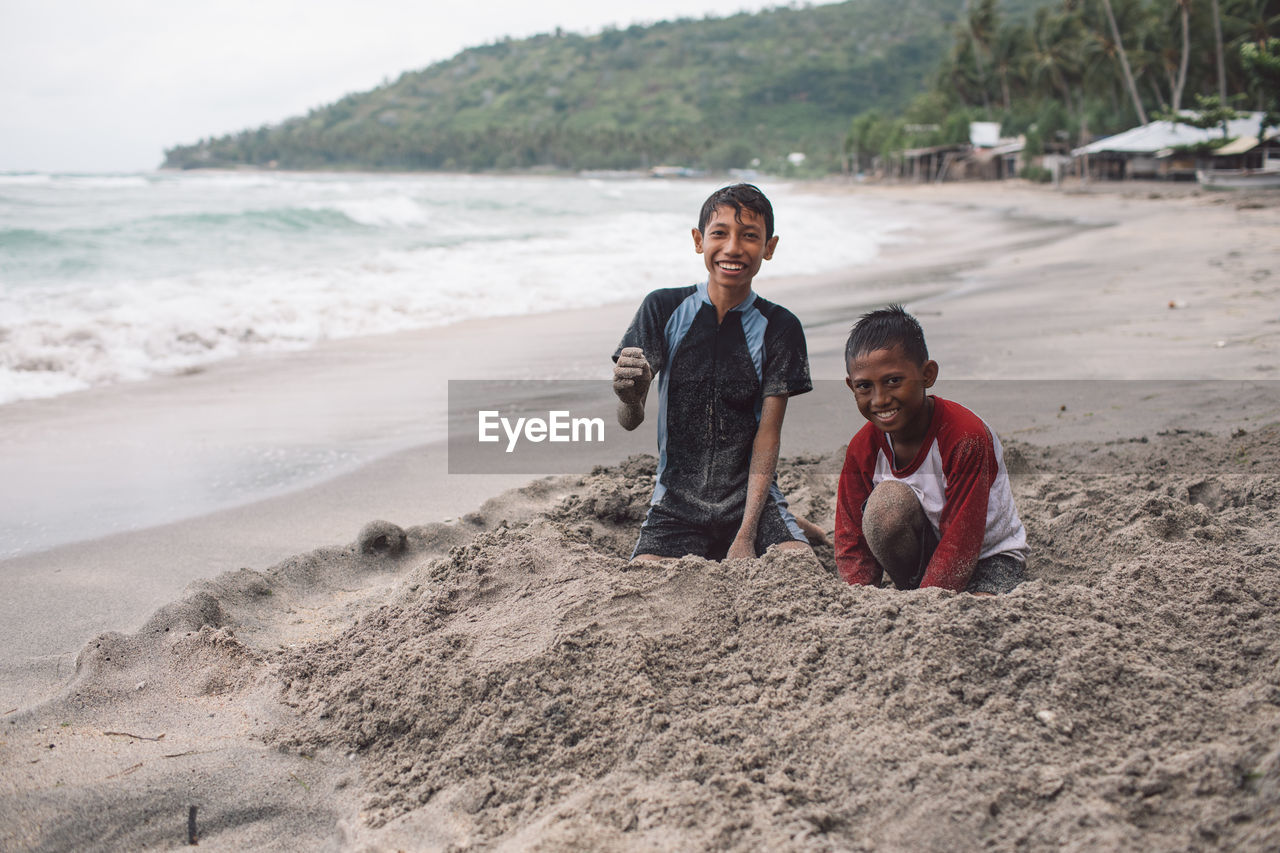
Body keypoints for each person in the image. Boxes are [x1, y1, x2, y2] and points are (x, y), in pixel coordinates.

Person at [611, 183, 813, 561]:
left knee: (795, 564)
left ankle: (789, 523)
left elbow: (768, 437)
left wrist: (746, 535)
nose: (733, 248)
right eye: (719, 233)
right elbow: (629, 420)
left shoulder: (780, 327)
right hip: (676, 503)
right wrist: (630, 396)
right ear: (699, 240)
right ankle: (796, 524)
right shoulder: (663, 308)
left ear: (769, 248)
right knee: (647, 578)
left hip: (751, 501)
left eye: (750, 236)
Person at [834, 305, 1027, 593]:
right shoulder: (863, 448)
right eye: (865, 386)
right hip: (923, 557)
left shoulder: (966, 437)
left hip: (989, 557)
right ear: (851, 387)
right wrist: (858, 595)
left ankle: (925, 592)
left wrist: (930, 601)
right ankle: (912, 586)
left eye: (893, 381)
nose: (880, 399)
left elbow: (963, 537)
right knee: (885, 507)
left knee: (982, 607)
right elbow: (850, 535)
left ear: (927, 374)